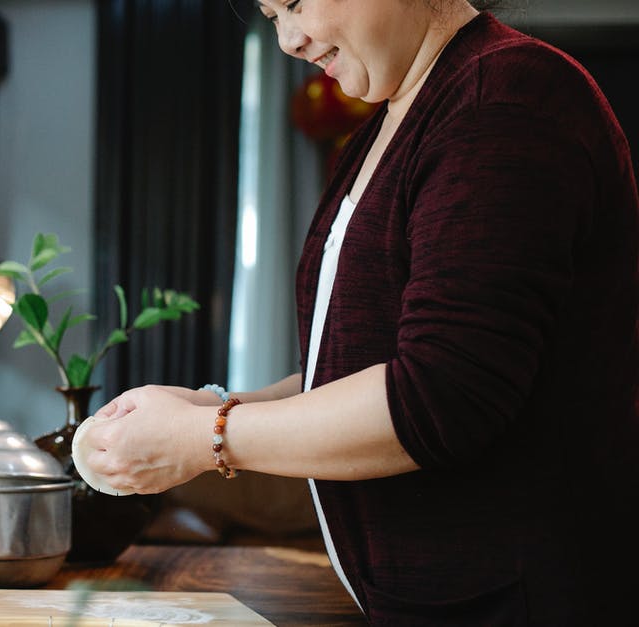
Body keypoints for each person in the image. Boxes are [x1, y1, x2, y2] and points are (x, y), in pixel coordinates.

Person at [76, 0, 638, 623]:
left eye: (293, 2)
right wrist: (212, 407)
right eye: (270, 16)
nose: (289, 39)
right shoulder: (392, 119)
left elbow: (441, 396)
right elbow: (353, 373)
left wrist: (200, 439)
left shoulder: (504, 99)